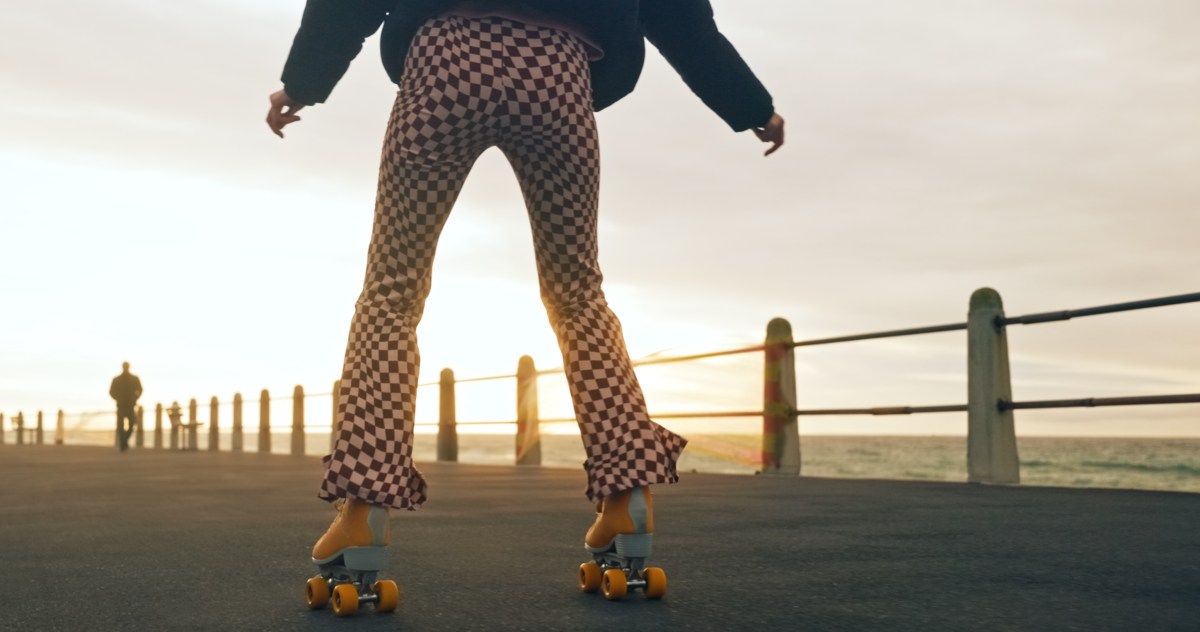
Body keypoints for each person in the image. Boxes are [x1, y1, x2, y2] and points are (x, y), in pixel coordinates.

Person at [267, 0, 785, 593]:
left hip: (446, 61)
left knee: (391, 291)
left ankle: (361, 511)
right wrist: (751, 107)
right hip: (560, 70)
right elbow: (681, 20)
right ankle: (625, 499)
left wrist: (303, 82)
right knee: (578, 294)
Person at [109, 362, 143, 452]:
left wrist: (135, 398)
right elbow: (111, 391)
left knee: (132, 423)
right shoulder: (116, 379)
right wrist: (118, 399)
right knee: (120, 425)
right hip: (121, 405)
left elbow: (140, 389)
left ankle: (124, 441)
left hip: (131, 405)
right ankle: (123, 443)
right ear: (123, 367)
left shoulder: (135, 379)